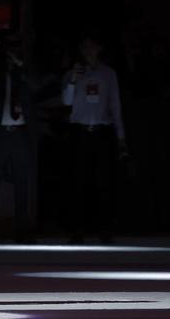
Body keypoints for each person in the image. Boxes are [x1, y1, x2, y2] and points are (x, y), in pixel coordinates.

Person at [61, 33, 128, 243]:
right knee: (78, 182)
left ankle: (105, 229)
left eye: (93, 47)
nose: (89, 51)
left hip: (101, 131)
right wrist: (73, 79)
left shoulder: (109, 74)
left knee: (103, 183)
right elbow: (66, 101)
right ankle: (77, 230)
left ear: (99, 49)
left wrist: (121, 137)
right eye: (85, 47)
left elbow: (115, 105)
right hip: (80, 132)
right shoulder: (72, 73)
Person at [0, 29, 36, 243]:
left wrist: (19, 69)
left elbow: (35, 89)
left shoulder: (26, 69)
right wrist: (2, 68)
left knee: (23, 182)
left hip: (20, 131)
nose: (13, 49)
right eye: (9, 45)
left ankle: (22, 230)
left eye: (16, 45)